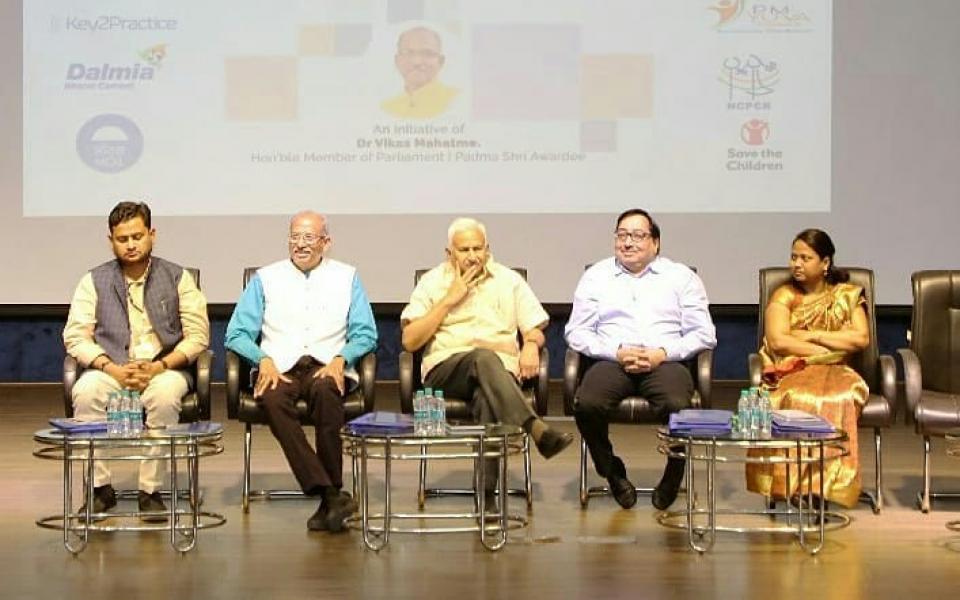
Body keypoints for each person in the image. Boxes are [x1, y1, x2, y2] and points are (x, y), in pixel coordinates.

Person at [225, 211, 377, 533]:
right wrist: (262, 359)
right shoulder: (265, 278)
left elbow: (366, 333)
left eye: (309, 237)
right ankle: (331, 492)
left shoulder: (347, 277)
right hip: (279, 367)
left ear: (326, 242)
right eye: (295, 237)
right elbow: (235, 334)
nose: (301, 244)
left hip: (326, 365)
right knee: (271, 397)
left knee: (326, 392)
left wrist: (341, 359)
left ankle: (329, 496)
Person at [64, 201, 210, 521]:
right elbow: (75, 336)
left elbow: (198, 336)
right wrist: (111, 367)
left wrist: (159, 366)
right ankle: (101, 489)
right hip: (112, 367)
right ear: (111, 240)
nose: (130, 245)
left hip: (163, 368)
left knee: (163, 395)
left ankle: (150, 491)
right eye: (122, 239)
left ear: (151, 235)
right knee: (86, 392)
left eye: (137, 236)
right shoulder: (94, 280)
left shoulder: (177, 277)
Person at [565, 208, 717, 510]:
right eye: (622, 235)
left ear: (656, 243)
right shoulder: (596, 276)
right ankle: (612, 473)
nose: (628, 243)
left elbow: (704, 334)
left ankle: (673, 476)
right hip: (612, 360)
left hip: (665, 361)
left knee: (678, 406)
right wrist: (616, 351)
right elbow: (576, 332)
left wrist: (662, 353)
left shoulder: (680, 277)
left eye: (638, 235)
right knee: (587, 404)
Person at [400, 217, 574, 480]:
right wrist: (448, 300)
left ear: (487, 249)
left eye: (477, 249)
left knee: (486, 396)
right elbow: (410, 341)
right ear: (450, 254)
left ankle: (488, 498)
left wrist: (530, 344)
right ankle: (534, 427)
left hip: (500, 375)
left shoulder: (509, 280)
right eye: (464, 250)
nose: (472, 256)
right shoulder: (433, 281)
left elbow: (535, 328)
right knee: (482, 357)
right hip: (446, 372)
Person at [746, 229, 869, 508]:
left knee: (836, 398)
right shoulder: (784, 294)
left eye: (805, 257)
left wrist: (812, 336)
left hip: (839, 372)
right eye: (793, 257)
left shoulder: (847, 295)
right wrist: (829, 350)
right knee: (798, 398)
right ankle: (795, 485)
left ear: (825, 263)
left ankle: (825, 486)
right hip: (792, 369)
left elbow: (860, 339)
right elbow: (778, 340)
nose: (796, 264)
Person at [381, 26, 459, 119]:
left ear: (441, 61)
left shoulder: (457, 102)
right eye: (408, 53)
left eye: (427, 53)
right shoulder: (387, 109)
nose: (417, 62)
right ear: (397, 61)